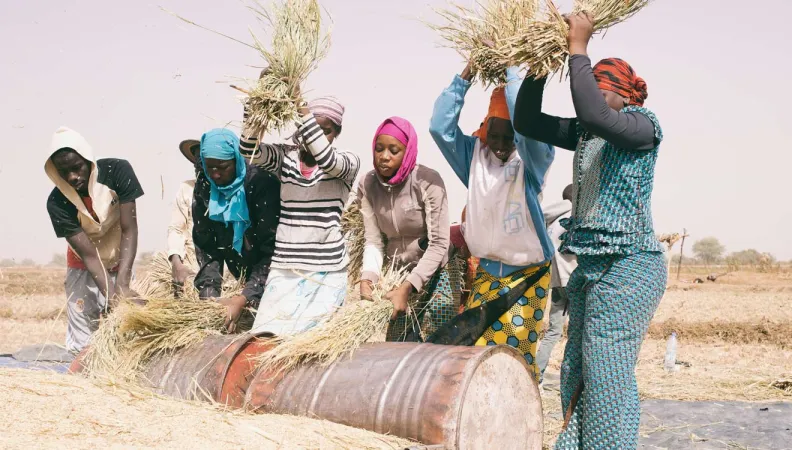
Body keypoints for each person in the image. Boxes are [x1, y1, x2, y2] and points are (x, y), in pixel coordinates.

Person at [513, 12, 666, 449]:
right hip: (592, 268)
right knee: (580, 372)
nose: (593, 100)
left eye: (602, 90)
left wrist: (578, 49)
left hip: (630, 268)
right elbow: (528, 121)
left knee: (606, 374)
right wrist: (541, 66)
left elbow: (594, 113)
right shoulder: (589, 129)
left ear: (624, 96)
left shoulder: (642, 127)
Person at [429, 63, 555, 380]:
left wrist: (513, 70)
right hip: (487, 273)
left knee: (514, 361)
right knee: (479, 357)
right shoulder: (474, 157)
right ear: (484, 130)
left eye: (508, 137)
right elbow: (439, 127)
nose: (499, 145)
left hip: (528, 277)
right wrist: (466, 74)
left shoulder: (532, 160)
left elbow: (526, 128)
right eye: (493, 134)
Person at [239, 86, 360, 335]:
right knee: (265, 339)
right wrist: (258, 107)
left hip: (325, 272)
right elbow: (248, 149)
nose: (312, 137)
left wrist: (302, 110)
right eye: (309, 128)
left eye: (324, 131)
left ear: (336, 133)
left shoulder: (347, 162)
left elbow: (325, 159)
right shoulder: (287, 158)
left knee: (308, 347)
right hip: (285, 268)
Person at [45, 126, 143, 353]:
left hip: (121, 261)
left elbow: (130, 229)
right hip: (83, 266)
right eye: (63, 171)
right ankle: (85, 385)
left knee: (129, 331)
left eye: (77, 167)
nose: (72, 177)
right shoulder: (57, 203)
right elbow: (89, 255)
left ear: (88, 159)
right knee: (85, 342)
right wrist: (112, 295)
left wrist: (122, 285)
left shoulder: (118, 171)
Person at [357, 117, 452, 341]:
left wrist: (410, 286)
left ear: (407, 151)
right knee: (398, 348)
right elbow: (374, 240)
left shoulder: (427, 181)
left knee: (436, 347)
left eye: (394, 150)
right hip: (396, 276)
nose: (384, 156)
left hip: (437, 275)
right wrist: (368, 276)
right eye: (379, 149)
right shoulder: (367, 184)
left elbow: (439, 243)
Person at [192, 128, 281, 333]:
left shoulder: (261, 185)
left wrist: (247, 295)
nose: (215, 174)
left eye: (223, 167)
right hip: (241, 274)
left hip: (275, 278)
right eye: (210, 167)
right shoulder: (205, 186)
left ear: (236, 160)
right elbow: (207, 246)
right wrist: (209, 297)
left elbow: (273, 251)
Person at [535, 184, 578, 384]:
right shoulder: (574, 216)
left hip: (557, 280)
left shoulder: (551, 220)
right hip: (574, 279)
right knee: (580, 332)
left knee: (553, 332)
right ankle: (574, 381)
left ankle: (537, 375)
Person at [167, 139, 200, 293]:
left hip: (226, 275)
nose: (198, 167)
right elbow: (176, 228)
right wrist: (176, 262)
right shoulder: (187, 189)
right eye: (196, 164)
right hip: (190, 266)